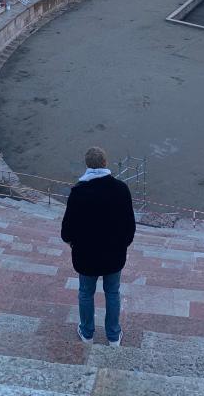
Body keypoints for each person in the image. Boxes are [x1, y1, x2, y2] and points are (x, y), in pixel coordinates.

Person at [61, 147, 135, 346]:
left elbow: (66, 230)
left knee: (86, 292)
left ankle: (87, 333)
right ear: (105, 163)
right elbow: (130, 225)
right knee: (112, 292)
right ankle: (113, 336)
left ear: (87, 165)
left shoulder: (78, 192)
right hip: (114, 254)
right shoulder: (121, 189)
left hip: (86, 255)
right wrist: (123, 245)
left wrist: (73, 244)